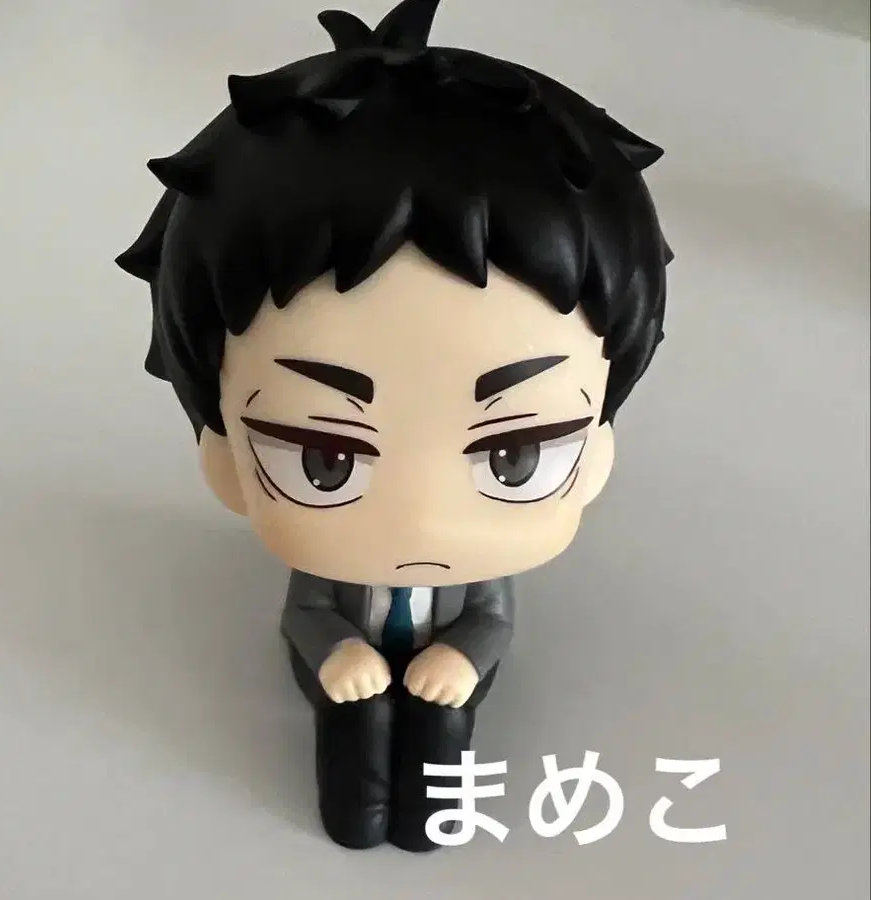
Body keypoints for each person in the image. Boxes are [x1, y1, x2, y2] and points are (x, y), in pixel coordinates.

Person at [116, 0, 672, 853]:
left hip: (448, 662)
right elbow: (306, 610)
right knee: (355, 722)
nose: (421, 521)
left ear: (597, 448)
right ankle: (358, 810)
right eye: (325, 459)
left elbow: (492, 618)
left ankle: (426, 814)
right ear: (222, 454)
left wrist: (464, 656)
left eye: (514, 456)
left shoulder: (476, 575)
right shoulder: (323, 564)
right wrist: (335, 651)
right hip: (346, 660)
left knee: (443, 724)